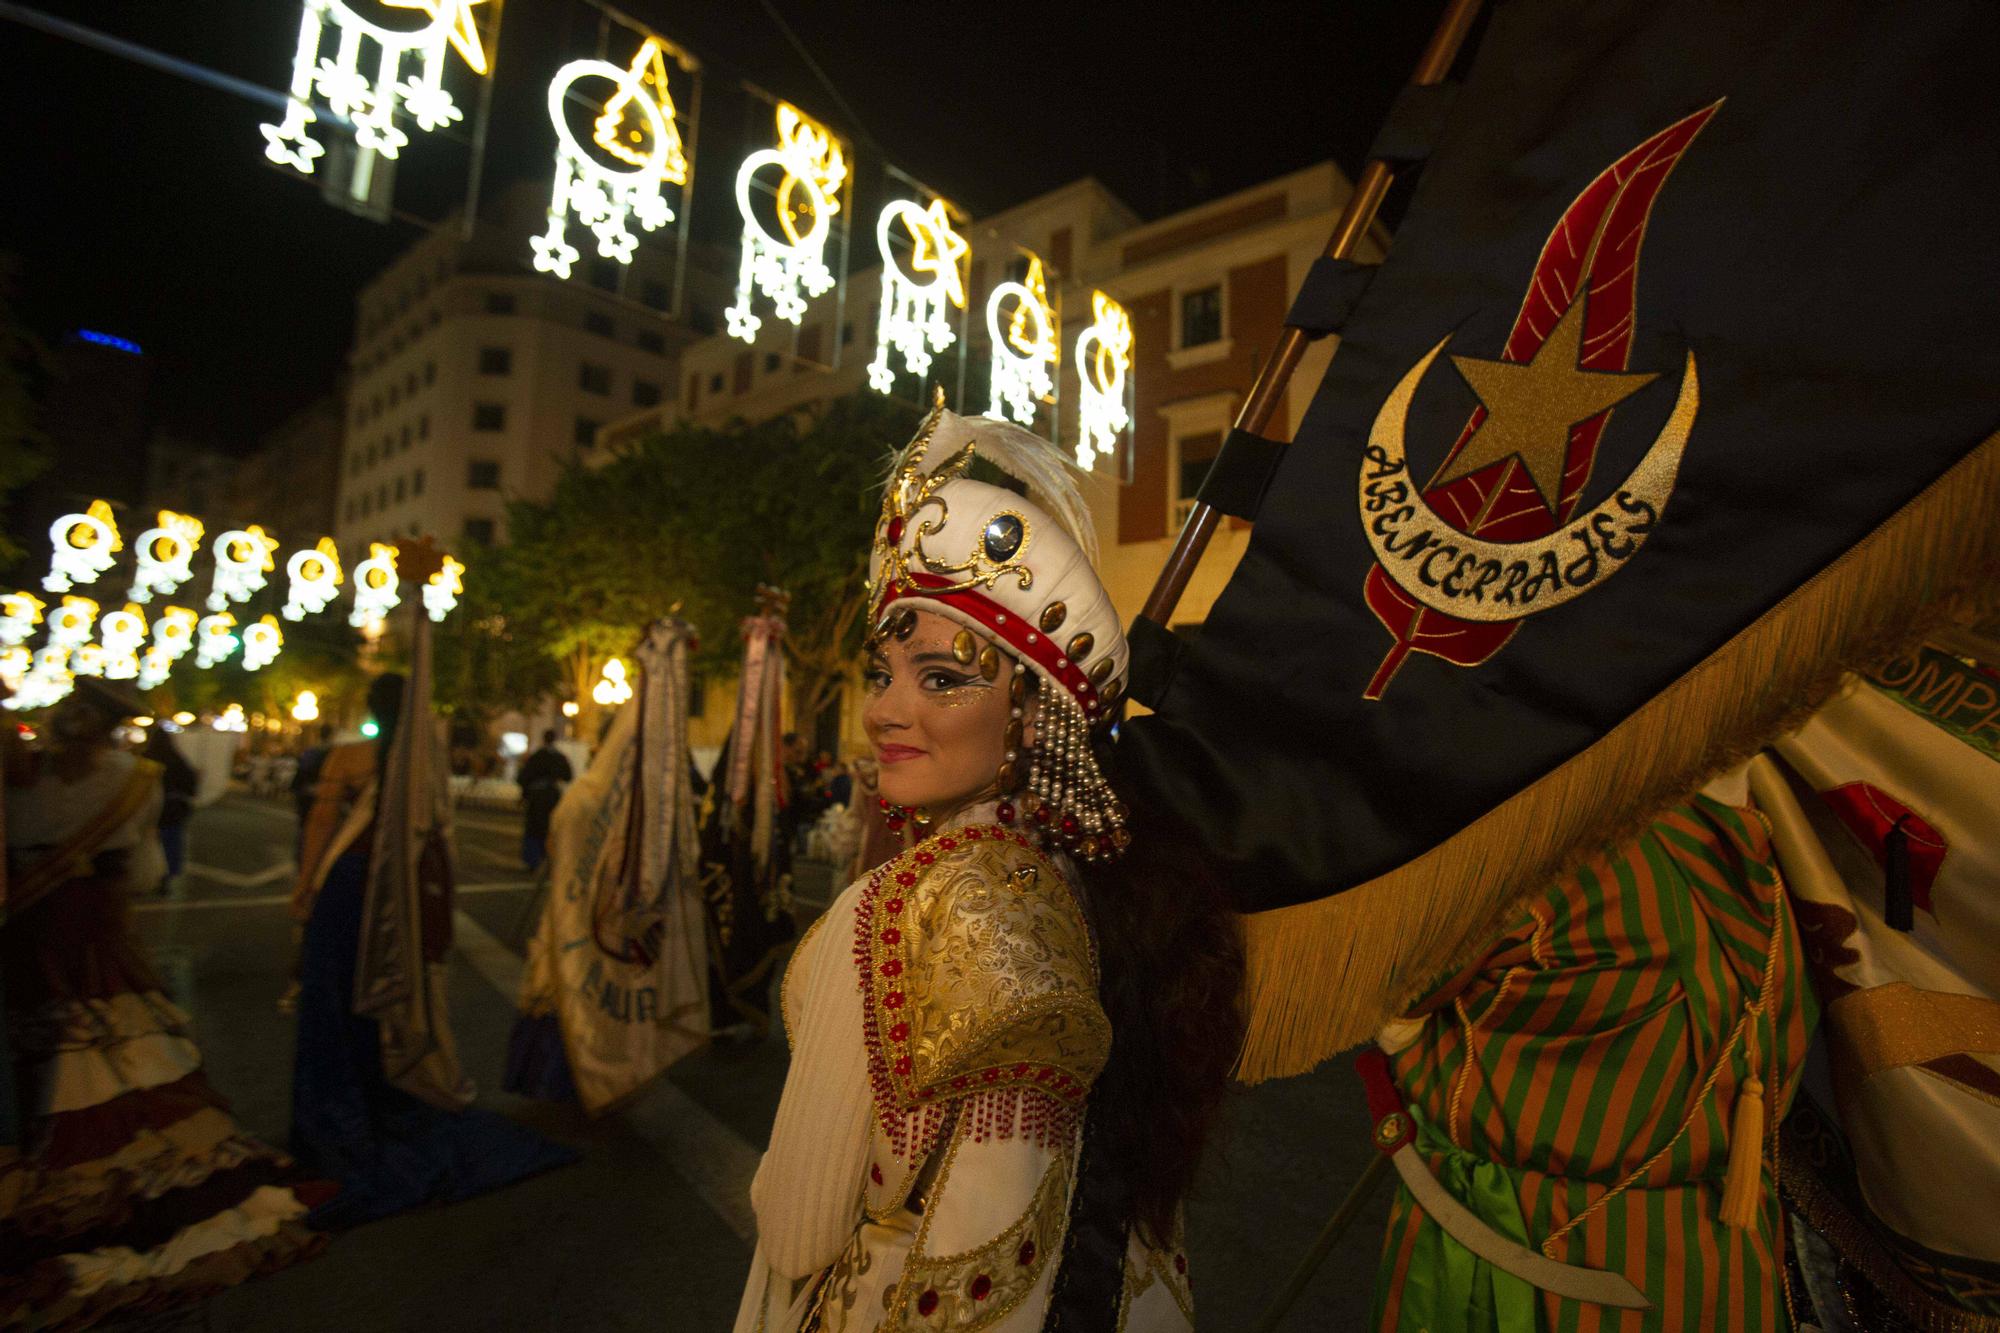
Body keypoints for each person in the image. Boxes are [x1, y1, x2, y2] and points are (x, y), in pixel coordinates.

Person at [735, 405, 1243, 1331]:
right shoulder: (1101, 884)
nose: (887, 710)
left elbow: (800, 1225)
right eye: (883, 671)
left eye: (942, 678)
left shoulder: (887, 909)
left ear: (1033, 716)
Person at [2, 678, 326, 1327]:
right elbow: (146, 870)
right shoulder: (135, 778)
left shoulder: (22, 776)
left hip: (28, 931)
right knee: (121, 1045)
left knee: (32, 1046)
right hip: (97, 928)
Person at [288, 672, 573, 1229]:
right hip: (403, 898)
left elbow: (322, 828)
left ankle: (340, 1106)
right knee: (390, 997)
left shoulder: (348, 759)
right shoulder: (426, 762)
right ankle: (392, 1081)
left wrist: (304, 890)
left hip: (349, 892)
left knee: (337, 999)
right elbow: (437, 843)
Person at [142, 723, 197, 893]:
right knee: (170, 845)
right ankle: (165, 877)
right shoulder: (175, 759)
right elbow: (190, 784)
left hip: (148, 809)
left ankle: (147, 876)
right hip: (171, 811)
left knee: (147, 844)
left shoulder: (145, 759)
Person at [515, 729, 572, 873]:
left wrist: (524, 795)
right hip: (552, 796)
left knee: (533, 828)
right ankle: (548, 858)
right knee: (550, 827)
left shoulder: (537, 756)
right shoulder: (559, 757)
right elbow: (568, 776)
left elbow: (524, 777)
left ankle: (533, 860)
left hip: (536, 797)